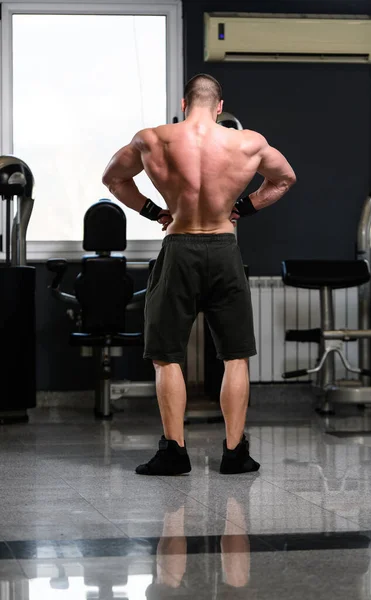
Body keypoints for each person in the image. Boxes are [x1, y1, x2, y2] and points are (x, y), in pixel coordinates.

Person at [102, 74, 296, 476]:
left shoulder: (153, 139)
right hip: (224, 250)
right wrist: (247, 206)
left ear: (184, 103)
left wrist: (154, 212)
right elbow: (284, 179)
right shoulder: (249, 143)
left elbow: (113, 179)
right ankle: (234, 453)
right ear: (220, 106)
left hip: (179, 248)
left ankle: (174, 451)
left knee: (165, 356)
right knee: (235, 356)